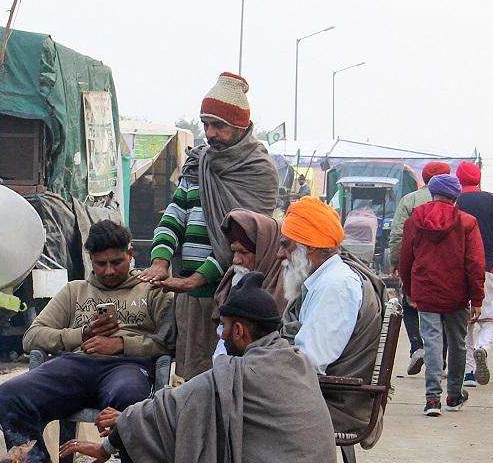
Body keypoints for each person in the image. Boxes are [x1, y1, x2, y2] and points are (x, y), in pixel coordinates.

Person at [60, 273, 337, 463]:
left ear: (240, 330)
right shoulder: (296, 360)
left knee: (184, 438)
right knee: (201, 427)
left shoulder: (240, 373)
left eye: (224, 327)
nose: (222, 335)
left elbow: (165, 408)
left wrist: (109, 442)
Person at [0, 221, 173, 463]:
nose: (109, 271)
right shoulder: (75, 291)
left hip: (127, 367)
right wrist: (82, 334)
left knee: (131, 399)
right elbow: (32, 337)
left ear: (131, 254)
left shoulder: (152, 290)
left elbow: (168, 342)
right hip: (75, 365)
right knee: (8, 395)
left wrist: (121, 345)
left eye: (117, 262)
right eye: (100, 264)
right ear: (90, 260)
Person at [139, 73, 279, 379]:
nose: (210, 133)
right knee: (191, 378)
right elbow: (174, 215)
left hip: (228, 298)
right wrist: (161, 261)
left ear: (241, 127)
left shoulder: (258, 172)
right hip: (188, 298)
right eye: (205, 125)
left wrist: (197, 280)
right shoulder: (200, 163)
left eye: (219, 126)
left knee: (224, 379)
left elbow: (245, 242)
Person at [277, 197, 385, 443]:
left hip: (336, 405)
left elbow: (309, 363)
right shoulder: (328, 279)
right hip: (325, 395)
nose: (280, 254)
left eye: (286, 245)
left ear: (310, 247)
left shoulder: (336, 285)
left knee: (231, 408)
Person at [398, 173, 485, 415]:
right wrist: (477, 298)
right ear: (455, 195)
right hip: (457, 292)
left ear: (432, 192)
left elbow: (406, 258)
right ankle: (454, 395)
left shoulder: (415, 219)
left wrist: (409, 289)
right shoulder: (467, 222)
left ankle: (432, 400)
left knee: (432, 343)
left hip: (425, 289)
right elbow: (475, 263)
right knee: (457, 343)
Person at [454, 161, 493, 386]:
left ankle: (469, 372)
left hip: (459, 270)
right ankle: (483, 348)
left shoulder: (454, 201)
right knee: (489, 319)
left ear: (458, 179)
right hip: (489, 268)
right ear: (478, 178)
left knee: (465, 322)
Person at [390, 162, 452, 376]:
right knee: (443, 312)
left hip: (415, 264)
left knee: (409, 306)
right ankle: (440, 360)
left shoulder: (410, 200)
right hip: (446, 267)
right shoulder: (455, 203)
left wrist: (396, 261)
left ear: (424, 178)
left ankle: (417, 347)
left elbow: (398, 234)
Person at [210, 209, 286, 357]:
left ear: (266, 253)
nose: (236, 260)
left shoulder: (286, 293)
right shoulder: (232, 282)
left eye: (244, 252)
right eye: (234, 252)